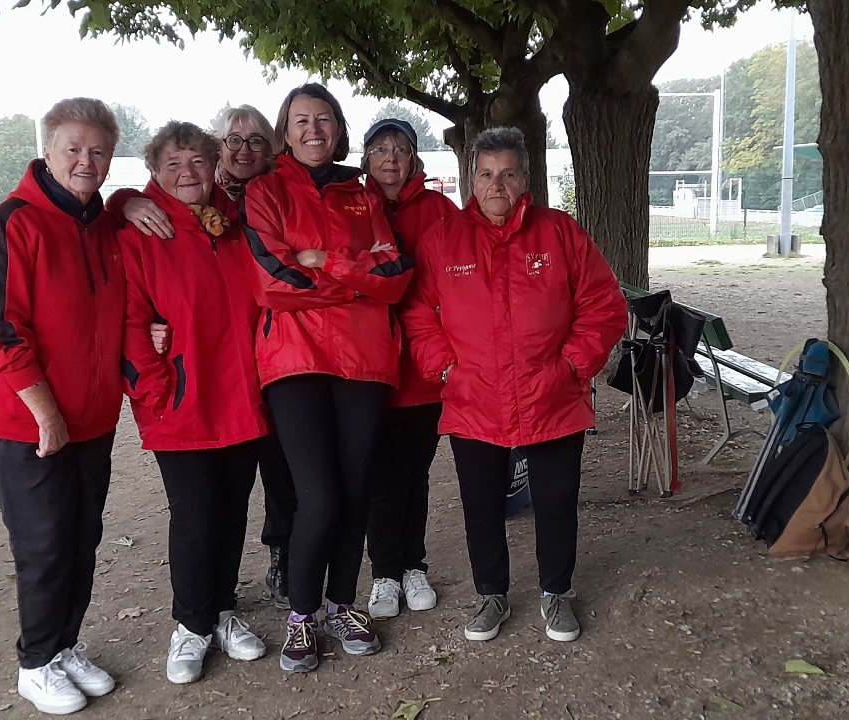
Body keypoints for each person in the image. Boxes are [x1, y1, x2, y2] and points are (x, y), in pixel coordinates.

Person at [402, 126, 627, 645]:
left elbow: (604, 305)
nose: (496, 185)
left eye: (507, 174)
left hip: (552, 395)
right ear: (471, 180)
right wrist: (446, 370)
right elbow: (417, 314)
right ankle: (491, 594)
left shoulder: (560, 234)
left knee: (556, 499)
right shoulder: (443, 241)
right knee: (480, 503)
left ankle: (556, 592)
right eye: (485, 174)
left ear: (525, 179)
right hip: (473, 398)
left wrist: (572, 367)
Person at [242, 83, 413, 673]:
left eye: (324, 120)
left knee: (357, 488)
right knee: (317, 495)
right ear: (285, 133)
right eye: (300, 120)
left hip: (365, 360)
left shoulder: (364, 193)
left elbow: (395, 276)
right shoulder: (263, 192)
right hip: (295, 361)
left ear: (339, 129)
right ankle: (301, 615)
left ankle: (344, 605)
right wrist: (354, 278)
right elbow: (271, 283)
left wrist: (323, 262)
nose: (313, 130)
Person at [0, 97, 124, 716]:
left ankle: (64, 645)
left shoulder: (104, 222)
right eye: (74, 149)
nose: (86, 161)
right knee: (44, 543)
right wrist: (45, 412)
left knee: (83, 536)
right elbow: (0, 329)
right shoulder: (12, 223)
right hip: (30, 420)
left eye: (98, 151)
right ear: (48, 151)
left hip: (93, 416)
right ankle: (36, 661)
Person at [121, 106, 299, 611]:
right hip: (185, 402)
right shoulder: (141, 233)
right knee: (196, 515)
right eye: (173, 163)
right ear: (154, 170)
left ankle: (220, 612)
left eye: (196, 161)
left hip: (243, 399)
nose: (186, 173)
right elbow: (130, 325)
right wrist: (161, 392)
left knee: (233, 512)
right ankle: (191, 623)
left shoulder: (236, 225)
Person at [358, 118, 459, 620]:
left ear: (414, 158)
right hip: (368, 361)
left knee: (415, 471)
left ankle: (413, 563)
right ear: (366, 158)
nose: (390, 158)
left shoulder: (440, 211)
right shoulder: (350, 206)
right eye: (380, 149)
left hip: (422, 364)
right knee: (380, 472)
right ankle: (383, 573)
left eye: (399, 149)